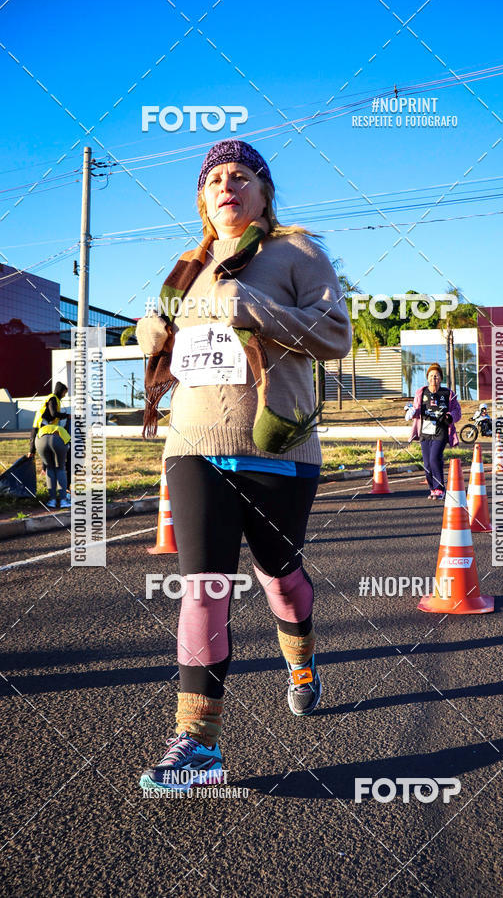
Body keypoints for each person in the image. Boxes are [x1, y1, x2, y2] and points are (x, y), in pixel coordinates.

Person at [136, 139, 352, 792]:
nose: (225, 185)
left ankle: (303, 659)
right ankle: (198, 745)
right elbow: (168, 347)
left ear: (263, 192)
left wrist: (256, 309)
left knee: (279, 579)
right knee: (203, 585)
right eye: (213, 180)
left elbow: (336, 334)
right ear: (202, 201)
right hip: (193, 446)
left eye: (240, 176)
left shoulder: (297, 252)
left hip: (277, 453)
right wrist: (152, 334)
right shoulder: (186, 269)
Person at [405, 363, 461, 499]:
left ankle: (440, 489)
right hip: (425, 432)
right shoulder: (421, 392)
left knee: (434, 458)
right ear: (427, 378)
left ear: (440, 378)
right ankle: (433, 489)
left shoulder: (448, 394)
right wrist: (411, 411)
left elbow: (457, 412)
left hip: (440, 432)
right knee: (427, 464)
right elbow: (417, 409)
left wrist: (450, 416)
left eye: (436, 376)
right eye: (431, 376)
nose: (433, 378)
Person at [28, 382, 71, 509]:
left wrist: (32, 450)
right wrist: (67, 416)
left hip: (40, 437)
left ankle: (52, 500)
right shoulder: (53, 398)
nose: (65, 394)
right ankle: (63, 500)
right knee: (60, 468)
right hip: (51, 435)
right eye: (64, 392)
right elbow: (53, 414)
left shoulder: (51, 399)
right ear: (61, 390)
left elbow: (34, 432)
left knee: (50, 469)